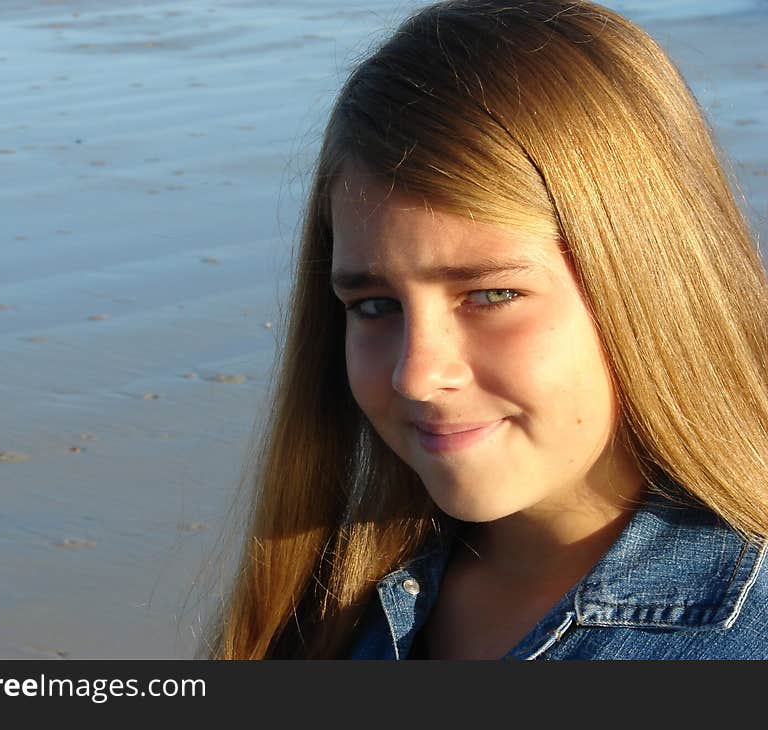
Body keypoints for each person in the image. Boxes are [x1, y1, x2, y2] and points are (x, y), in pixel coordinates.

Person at [203, 0, 768, 659]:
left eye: (491, 294)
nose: (417, 374)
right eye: (376, 306)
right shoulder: (327, 610)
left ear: (653, 284)